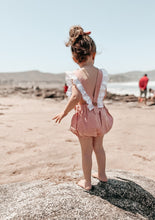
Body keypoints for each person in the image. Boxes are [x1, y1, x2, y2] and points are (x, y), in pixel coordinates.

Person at [52, 25, 113, 190]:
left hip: (86, 118)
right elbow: (104, 94)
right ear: (93, 54)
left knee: (86, 151)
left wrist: (64, 113)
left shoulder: (76, 76)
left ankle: (87, 182)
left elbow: (75, 97)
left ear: (74, 58)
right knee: (99, 147)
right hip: (100, 115)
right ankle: (102, 174)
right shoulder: (101, 73)